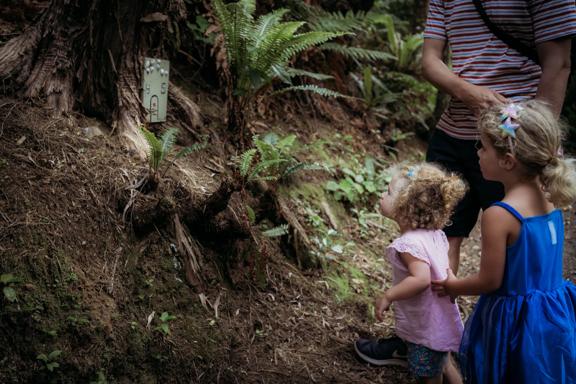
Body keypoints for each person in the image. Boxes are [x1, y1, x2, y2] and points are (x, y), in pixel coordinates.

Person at [355, 0, 576, 367]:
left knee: (516, 232)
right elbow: (431, 60)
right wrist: (467, 92)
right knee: (436, 238)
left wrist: (536, 143)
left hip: (514, 143)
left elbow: (559, 62)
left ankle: (472, 347)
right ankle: (425, 342)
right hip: (456, 132)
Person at [432, 100, 576, 383]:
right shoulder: (552, 199)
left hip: (515, 321)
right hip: (554, 311)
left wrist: (452, 286)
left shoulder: (500, 214)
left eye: (483, 147)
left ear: (507, 161)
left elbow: (490, 281)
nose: (478, 153)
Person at [355, 163, 467, 383]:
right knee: (444, 362)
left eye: (388, 193)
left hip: (426, 327)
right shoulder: (434, 234)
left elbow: (422, 279)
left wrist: (389, 295)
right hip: (438, 320)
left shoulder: (409, 244)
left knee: (429, 376)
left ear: (404, 206)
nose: (382, 195)